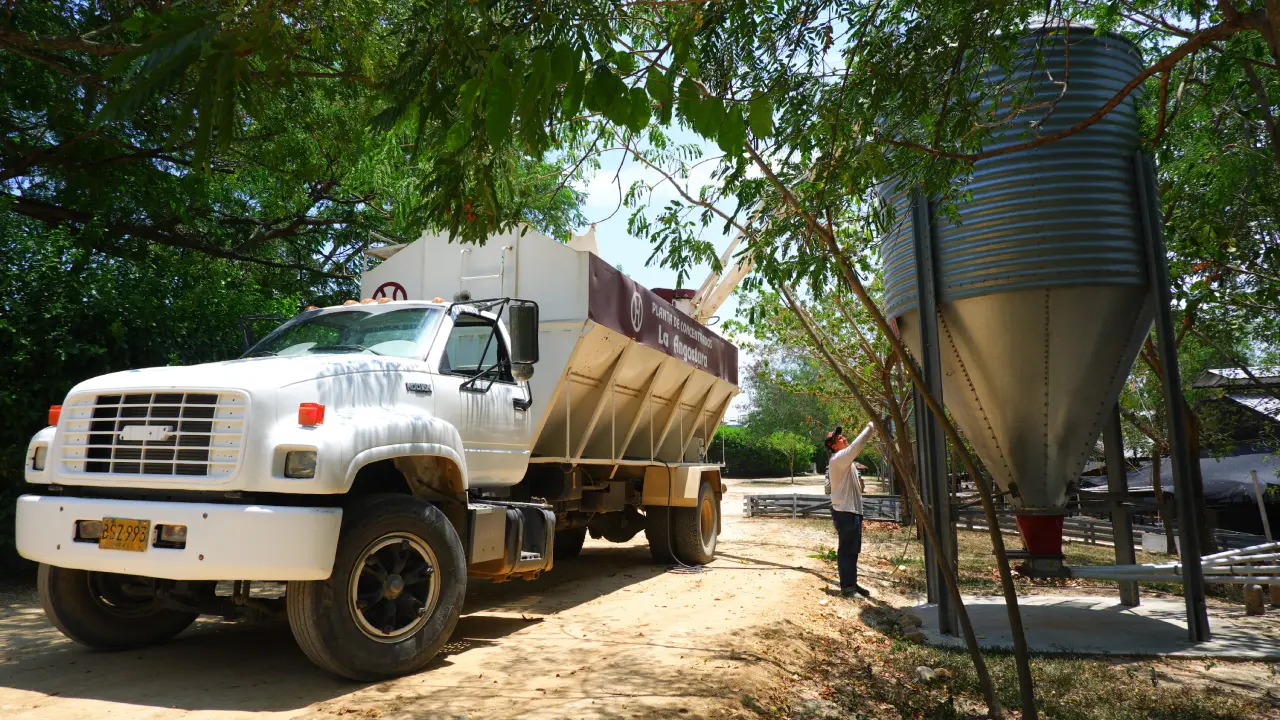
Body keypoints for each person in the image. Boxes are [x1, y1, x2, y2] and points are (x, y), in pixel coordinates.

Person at [825, 421, 877, 598]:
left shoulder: (846, 462)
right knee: (847, 550)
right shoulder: (839, 459)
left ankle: (852, 584)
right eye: (839, 438)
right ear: (832, 446)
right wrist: (871, 427)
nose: (844, 438)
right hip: (845, 511)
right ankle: (847, 588)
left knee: (852, 550)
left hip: (851, 510)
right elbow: (858, 445)